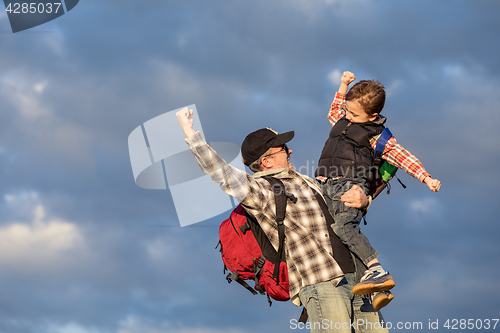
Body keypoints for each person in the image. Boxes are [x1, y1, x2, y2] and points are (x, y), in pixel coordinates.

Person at [177, 107, 390, 333]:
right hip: (322, 282)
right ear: (266, 161)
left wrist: (364, 199)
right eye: (284, 149)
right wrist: (190, 133)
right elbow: (222, 173)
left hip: (359, 280)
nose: (290, 151)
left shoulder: (309, 180)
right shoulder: (261, 191)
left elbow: (346, 212)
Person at [315, 71, 441, 307]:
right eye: (348, 110)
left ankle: (377, 270)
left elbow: (403, 157)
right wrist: (343, 85)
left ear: (373, 115)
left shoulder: (377, 135)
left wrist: (426, 178)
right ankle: (376, 290)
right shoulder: (343, 118)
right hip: (328, 184)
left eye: (354, 113)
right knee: (343, 237)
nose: (348, 116)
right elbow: (334, 110)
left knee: (345, 227)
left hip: (351, 185)